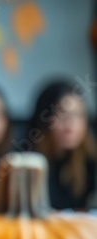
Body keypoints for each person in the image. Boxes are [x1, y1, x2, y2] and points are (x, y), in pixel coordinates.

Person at [29, 80, 97, 210]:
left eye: (78, 115)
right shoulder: (27, 160)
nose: (71, 124)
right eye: (62, 114)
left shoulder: (91, 160)